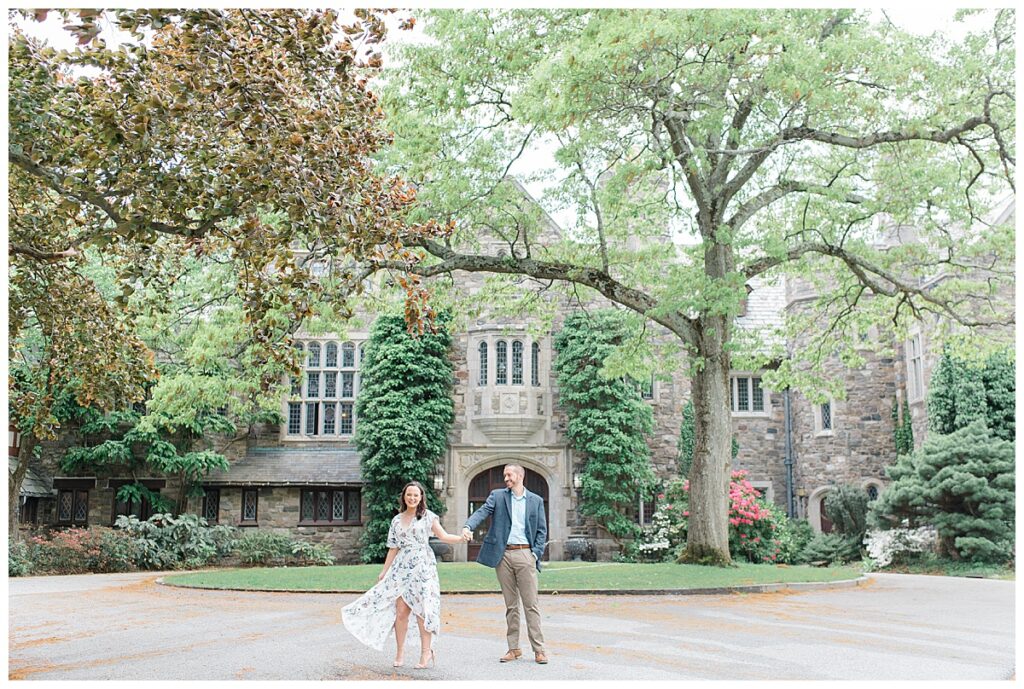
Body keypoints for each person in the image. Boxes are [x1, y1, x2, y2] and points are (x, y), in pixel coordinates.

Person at [342, 481, 465, 669]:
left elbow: (443, 536)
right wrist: (384, 571)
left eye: (416, 495)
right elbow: (393, 547)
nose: (412, 498)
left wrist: (461, 538)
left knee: (423, 611)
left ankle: (426, 653)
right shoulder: (397, 520)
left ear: (421, 497)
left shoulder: (428, 517)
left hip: (423, 568)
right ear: (404, 497)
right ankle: (400, 652)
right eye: (409, 495)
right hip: (401, 568)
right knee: (401, 612)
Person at [462, 463, 549, 664]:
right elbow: (482, 512)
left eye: (509, 475)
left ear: (520, 476)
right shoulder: (498, 496)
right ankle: (513, 648)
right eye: (504, 476)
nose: (506, 479)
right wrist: (468, 526)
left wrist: (535, 554)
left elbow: (541, 531)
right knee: (511, 606)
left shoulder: (535, 500)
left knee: (531, 605)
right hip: (503, 556)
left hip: (525, 554)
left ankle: (539, 650)